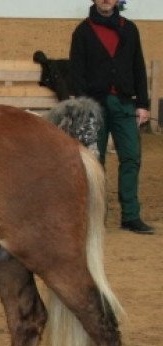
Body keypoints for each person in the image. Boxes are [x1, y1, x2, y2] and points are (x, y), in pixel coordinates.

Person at [70, 0, 154, 234]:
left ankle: (131, 216)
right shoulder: (82, 31)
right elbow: (76, 71)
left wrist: (143, 104)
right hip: (94, 106)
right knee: (95, 163)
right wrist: (82, 107)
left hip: (125, 105)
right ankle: (96, 218)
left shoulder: (129, 29)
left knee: (131, 157)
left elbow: (138, 67)